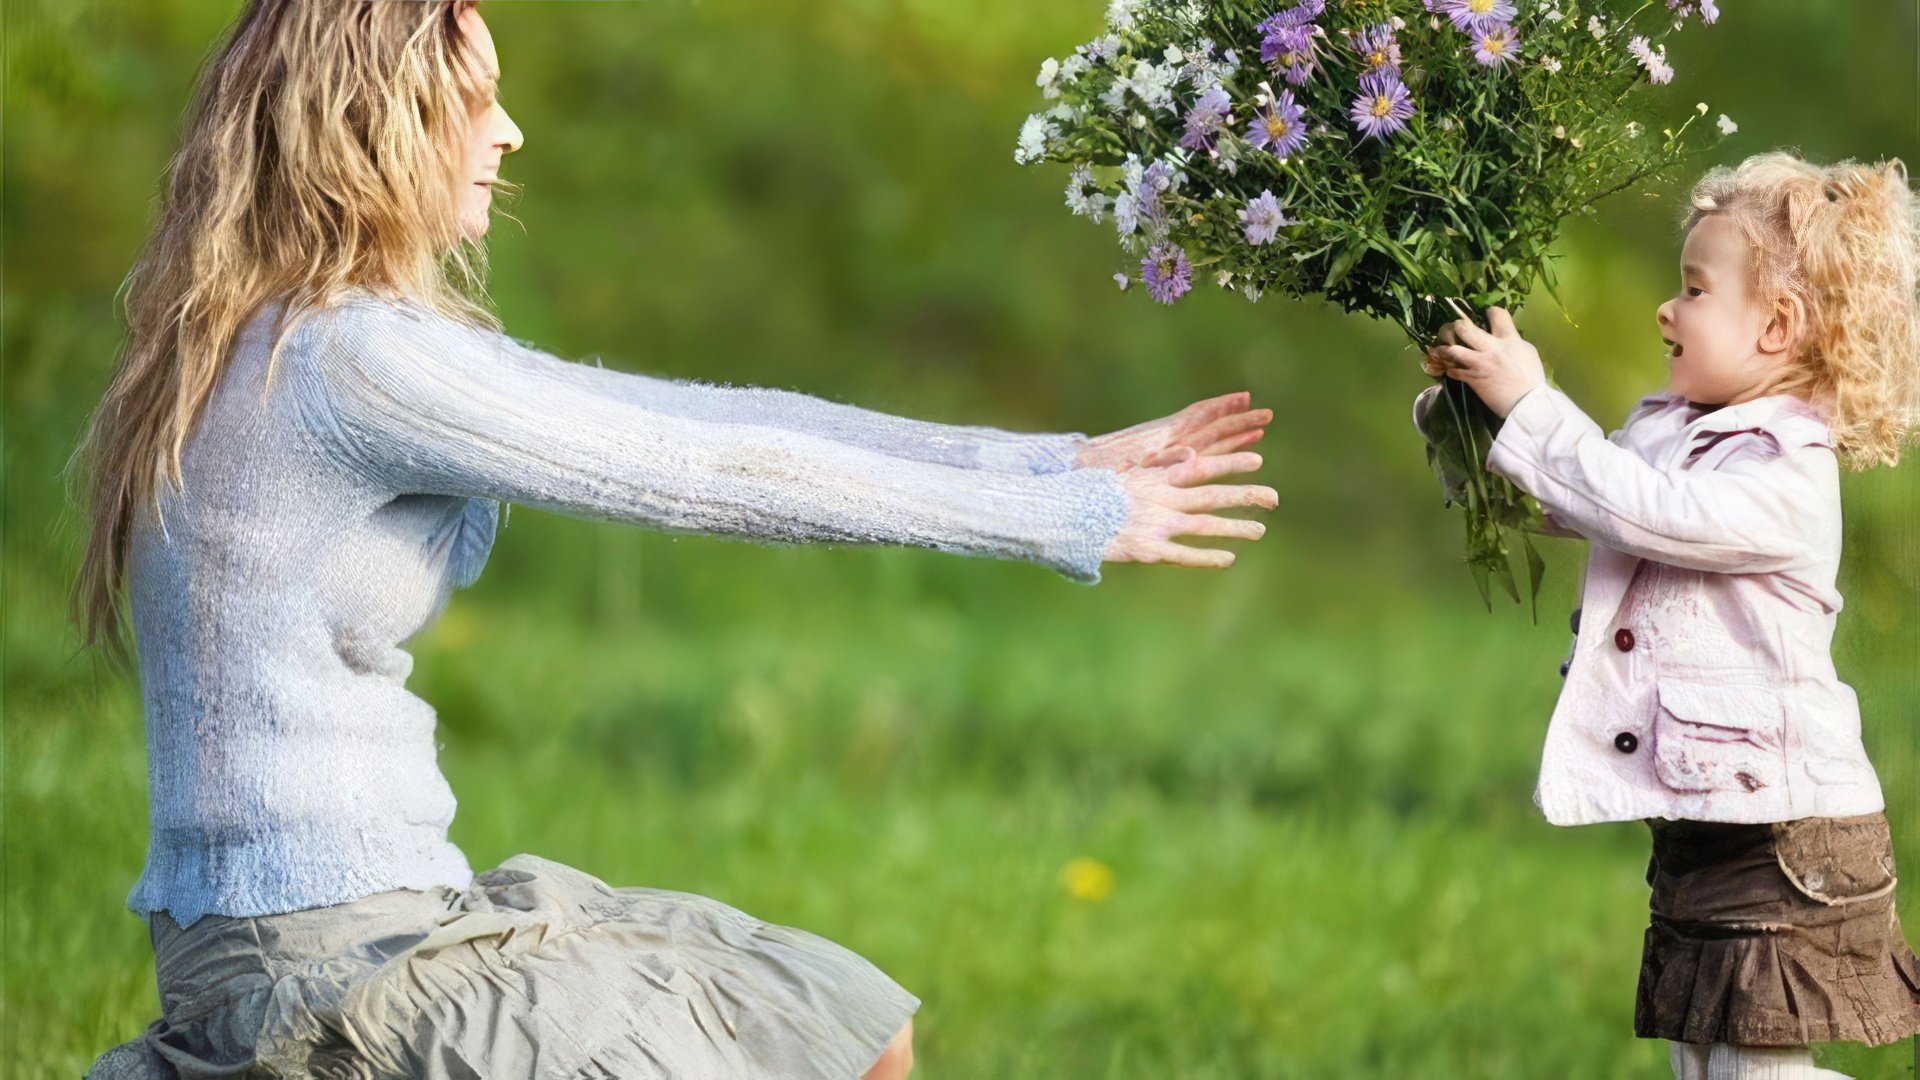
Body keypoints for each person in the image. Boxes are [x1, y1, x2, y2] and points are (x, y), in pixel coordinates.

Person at [77, 2, 1278, 1077]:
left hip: (384, 916)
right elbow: (700, 472)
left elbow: (692, 418)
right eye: (477, 100)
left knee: (848, 1022)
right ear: (377, 122)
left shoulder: (292, 337)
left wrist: (1054, 463)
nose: (511, 135)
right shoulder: (353, 362)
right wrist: (1059, 519)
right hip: (327, 967)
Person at [1416, 150, 1920, 1079]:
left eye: (1694, 289)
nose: (1667, 308)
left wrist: (1533, 405)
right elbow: (1569, 498)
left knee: (1748, 1075)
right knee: (1708, 1066)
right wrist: (1473, 416)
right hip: (1712, 819)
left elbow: (1644, 510)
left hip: (1788, 837)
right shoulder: (1668, 430)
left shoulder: (1788, 470)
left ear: (1777, 326)